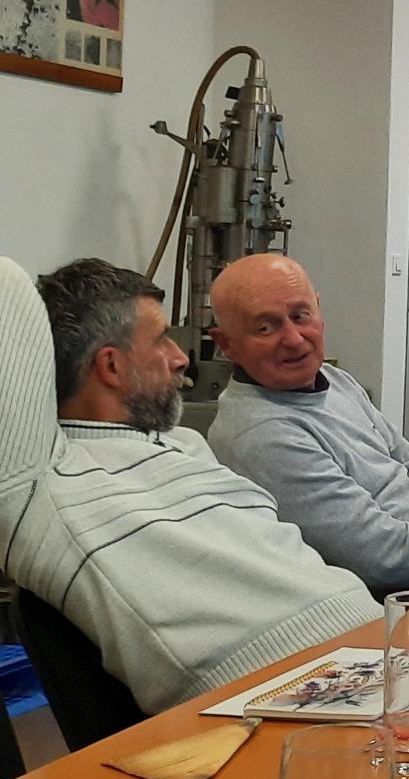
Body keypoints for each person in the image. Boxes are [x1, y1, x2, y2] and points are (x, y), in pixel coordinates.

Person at [0, 258, 378, 714]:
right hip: (280, 694)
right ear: (112, 365)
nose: (181, 358)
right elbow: (6, 283)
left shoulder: (186, 444)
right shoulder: (43, 484)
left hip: (372, 644)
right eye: (162, 339)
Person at [206, 254, 409, 592]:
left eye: (300, 316)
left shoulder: (335, 381)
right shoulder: (262, 435)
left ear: (318, 311)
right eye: (266, 327)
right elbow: (382, 557)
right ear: (226, 344)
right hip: (398, 602)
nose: (294, 339)